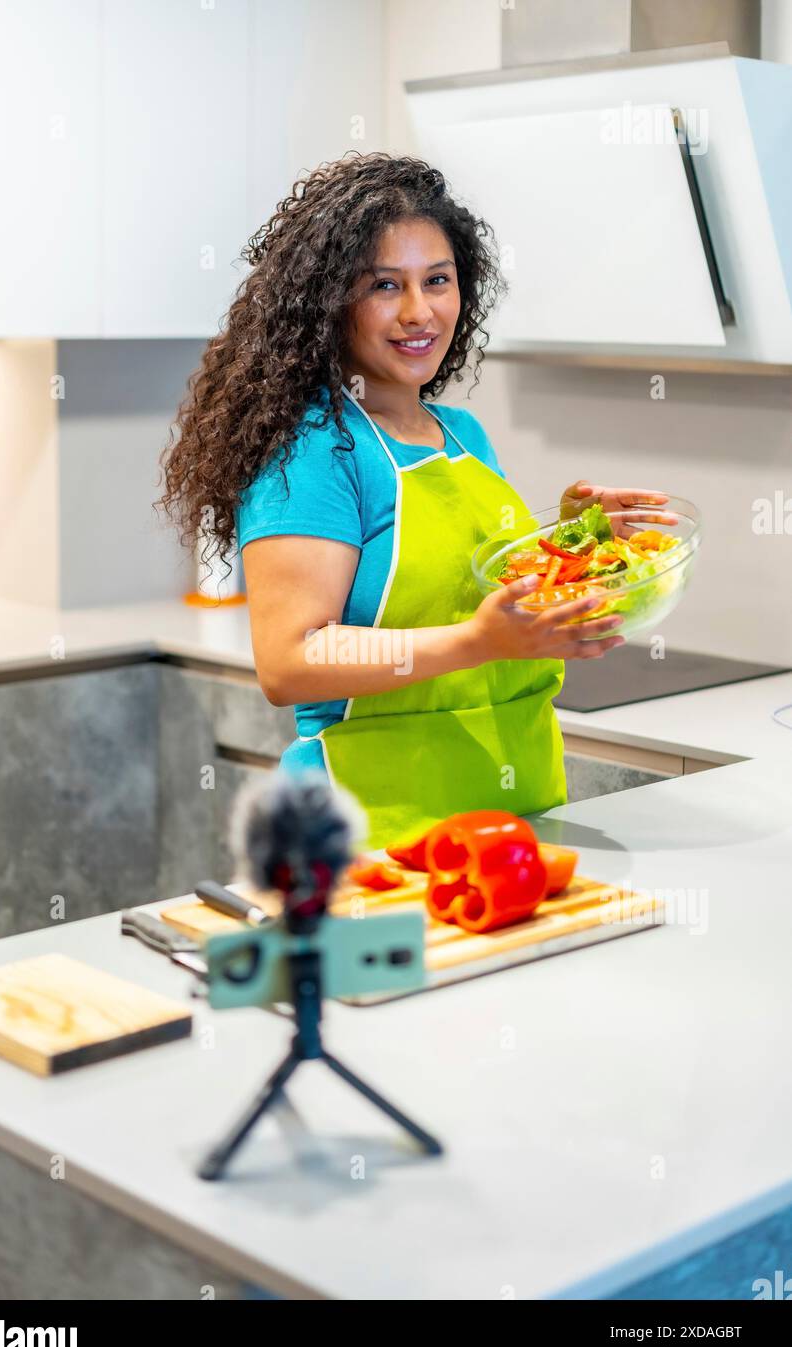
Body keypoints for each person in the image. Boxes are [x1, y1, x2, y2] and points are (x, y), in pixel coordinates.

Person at [159, 153, 672, 848]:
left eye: (438, 281)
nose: (418, 311)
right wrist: (477, 643)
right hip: (373, 833)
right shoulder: (315, 449)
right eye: (383, 287)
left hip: (512, 815)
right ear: (330, 302)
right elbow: (288, 661)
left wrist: (577, 544)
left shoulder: (461, 435)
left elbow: (488, 589)